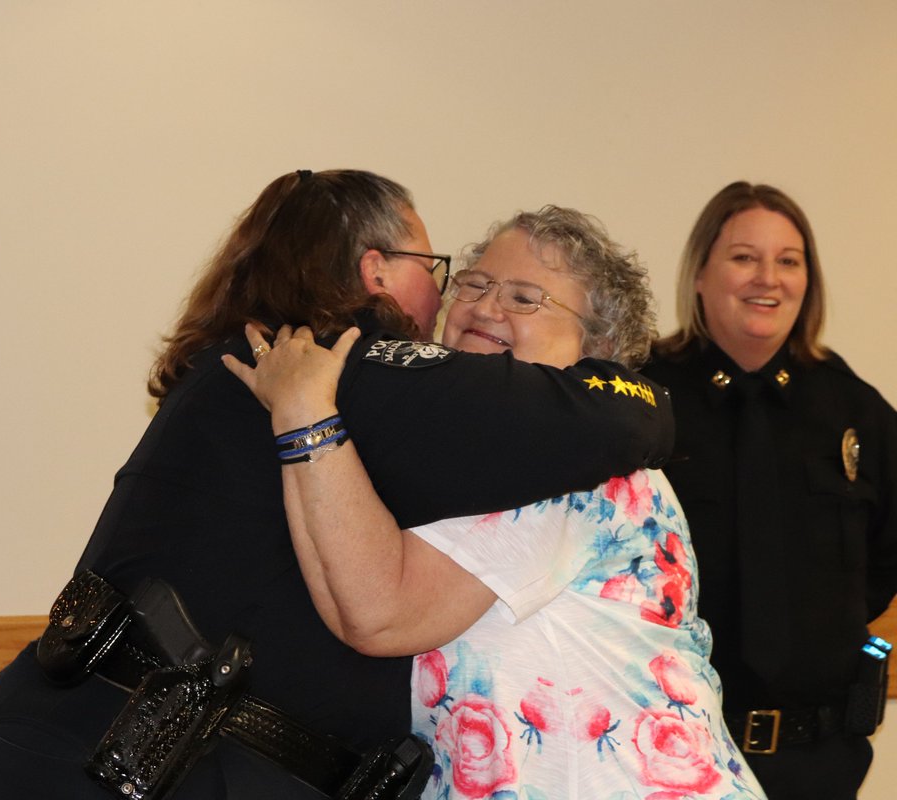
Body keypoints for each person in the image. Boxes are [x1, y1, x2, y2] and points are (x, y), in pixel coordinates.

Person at [0, 170, 674, 800]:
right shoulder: (344, 366)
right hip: (138, 756)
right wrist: (649, 400)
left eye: (524, 297)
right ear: (376, 270)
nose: (470, 302)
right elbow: (607, 420)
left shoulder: (275, 365)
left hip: (101, 736)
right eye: (464, 279)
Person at [225, 206, 765, 799]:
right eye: (475, 284)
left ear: (599, 346)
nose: (485, 308)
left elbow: (379, 614)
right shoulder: (478, 453)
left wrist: (305, 411)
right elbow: (346, 600)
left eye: (525, 298)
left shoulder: (571, 464)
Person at [641, 181, 897, 799]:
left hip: (819, 762)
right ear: (699, 274)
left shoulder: (856, 411)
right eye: (744, 257)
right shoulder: (643, 400)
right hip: (670, 755)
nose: (768, 279)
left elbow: (881, 568)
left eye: (788, 260)